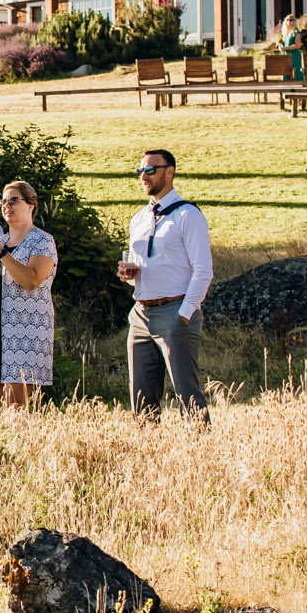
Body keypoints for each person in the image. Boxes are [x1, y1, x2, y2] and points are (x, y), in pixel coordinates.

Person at [117, 151, 212, 422]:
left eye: (150, 170)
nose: (143, 176)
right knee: (141, 397)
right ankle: (150, 455)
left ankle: (200, 451)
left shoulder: (187, 215)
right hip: (140, 314)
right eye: (140, 171)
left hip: (175, 311)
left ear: (169, 172)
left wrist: (185, 313)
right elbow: (141, 265)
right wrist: (129, 273)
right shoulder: (139, 218)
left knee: (187, 393)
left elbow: (203, 270)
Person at [0, 182, 58, 408]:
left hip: (24, 331)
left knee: (15, 402)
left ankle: (18, 441)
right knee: (1, 397)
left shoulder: (42, 240)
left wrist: (0, 251)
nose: (6, 205)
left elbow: (31, 280)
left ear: (31, 204)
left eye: (13, 200)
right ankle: (6, 442)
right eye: (3, 201)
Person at [274, 13, 304, 79]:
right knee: (285, 74)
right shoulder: (286, 33)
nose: (289, 21)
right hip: (286, 56)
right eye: (287, 20)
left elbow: (298, 45)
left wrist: (285, 48)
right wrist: (280, 46)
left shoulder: (296, 32)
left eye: (291, 20)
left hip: (294, 56)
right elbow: (284, 44)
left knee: (296, 73)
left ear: (294, 21)